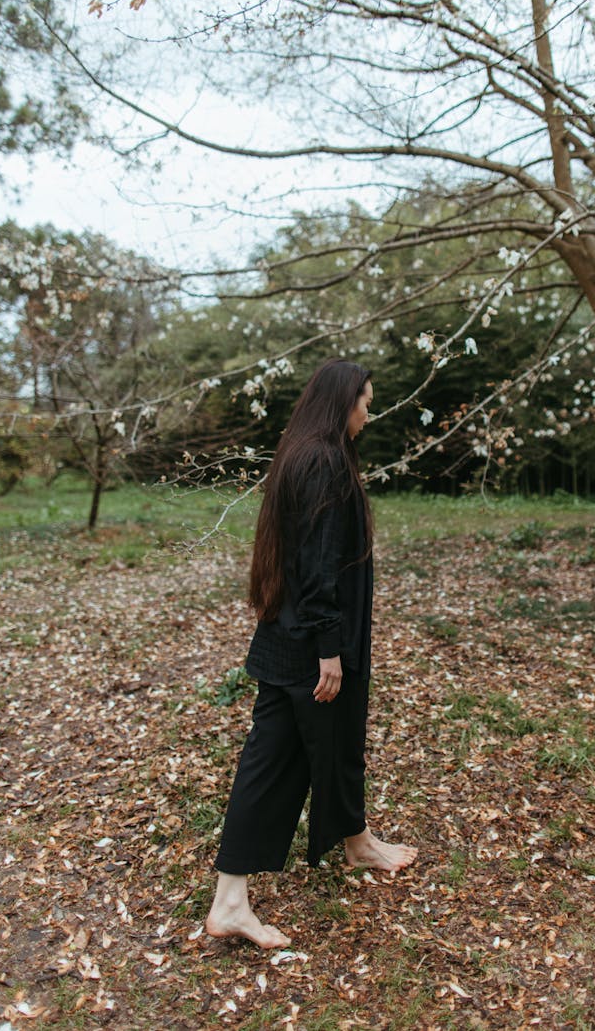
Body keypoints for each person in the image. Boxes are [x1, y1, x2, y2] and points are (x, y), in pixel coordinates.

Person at [206, 358, 417, 949]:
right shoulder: (324, 462)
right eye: (365, 402)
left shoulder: (301, 453)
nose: (368, 415)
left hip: (285, 637)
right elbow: (317, 565)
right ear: (342, 402)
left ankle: (349, 845)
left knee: (287, 753)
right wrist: (330, 649)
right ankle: (234, 902)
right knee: (290, 755)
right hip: (310, 644)